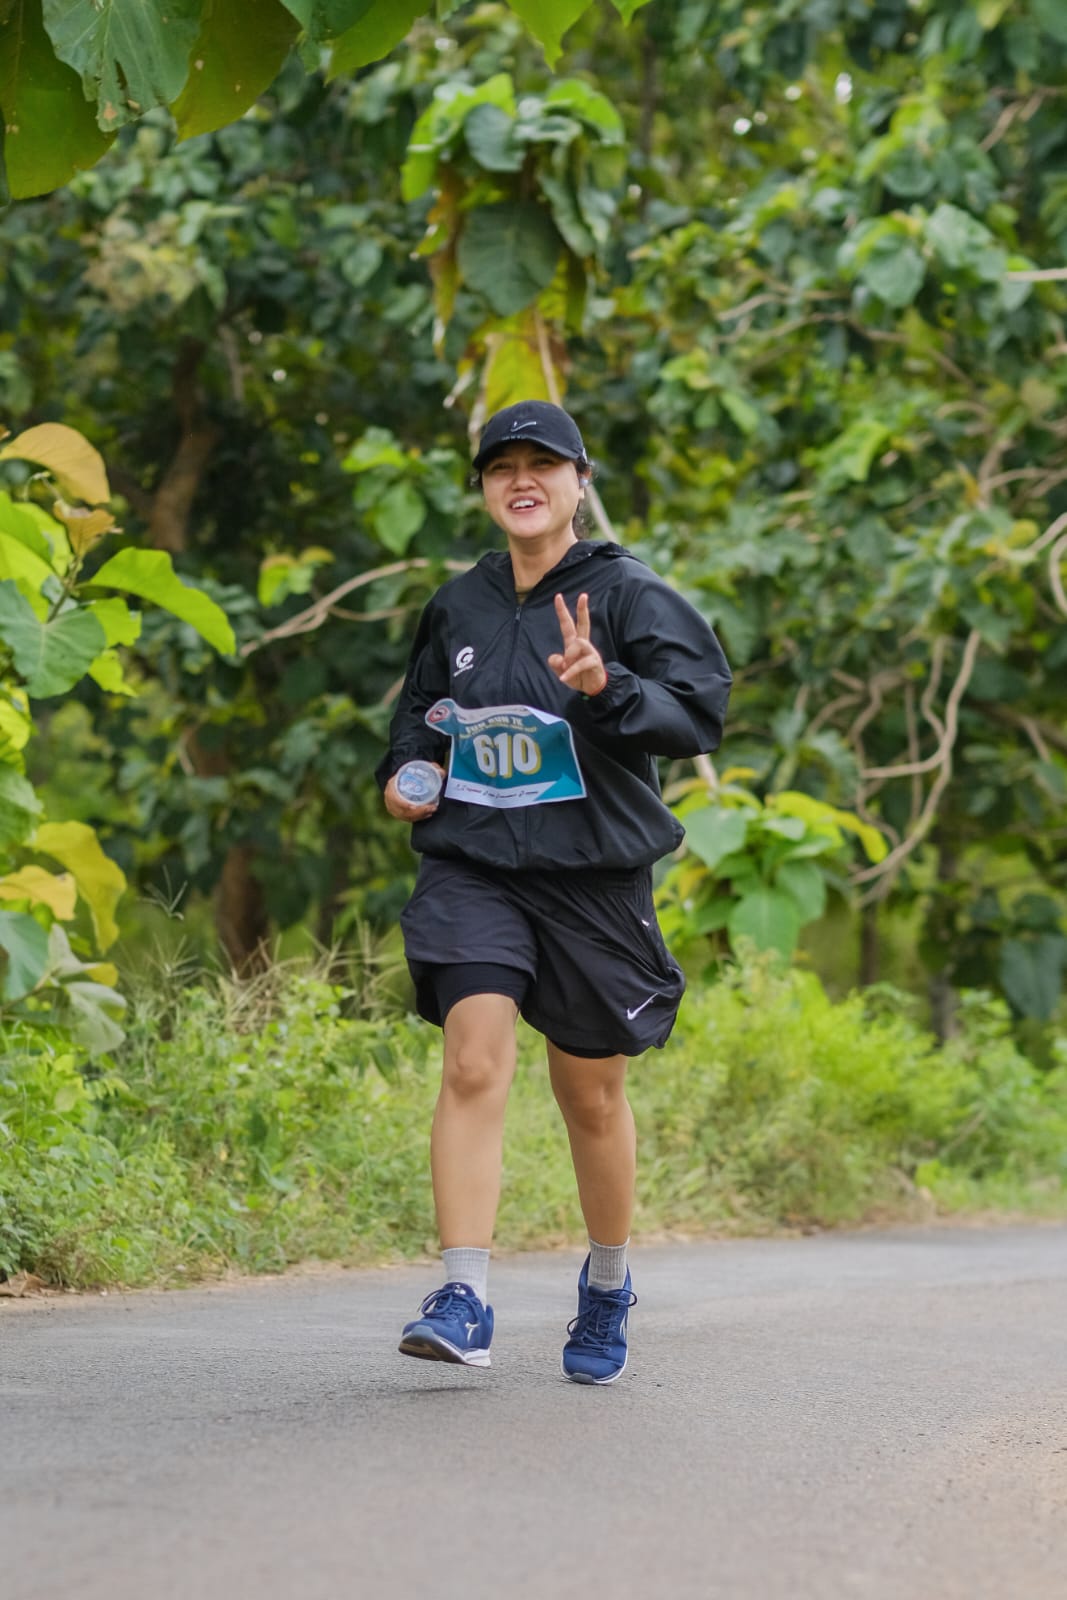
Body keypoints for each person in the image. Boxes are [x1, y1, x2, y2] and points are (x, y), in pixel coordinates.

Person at [376, 399, 731, 1384]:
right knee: (473, 1061)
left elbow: (695, 712)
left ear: (578, 481)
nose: (520, 480)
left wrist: (604, 688)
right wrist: (409, 772)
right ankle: (463, 1294)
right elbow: (420, 713)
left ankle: (608, 1281)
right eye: (501, 467)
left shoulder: (629, 595)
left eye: (543, 464)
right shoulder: (459, 602)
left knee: (590, 1092)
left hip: (590, 877)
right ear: (485, 488)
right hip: (473, 864)